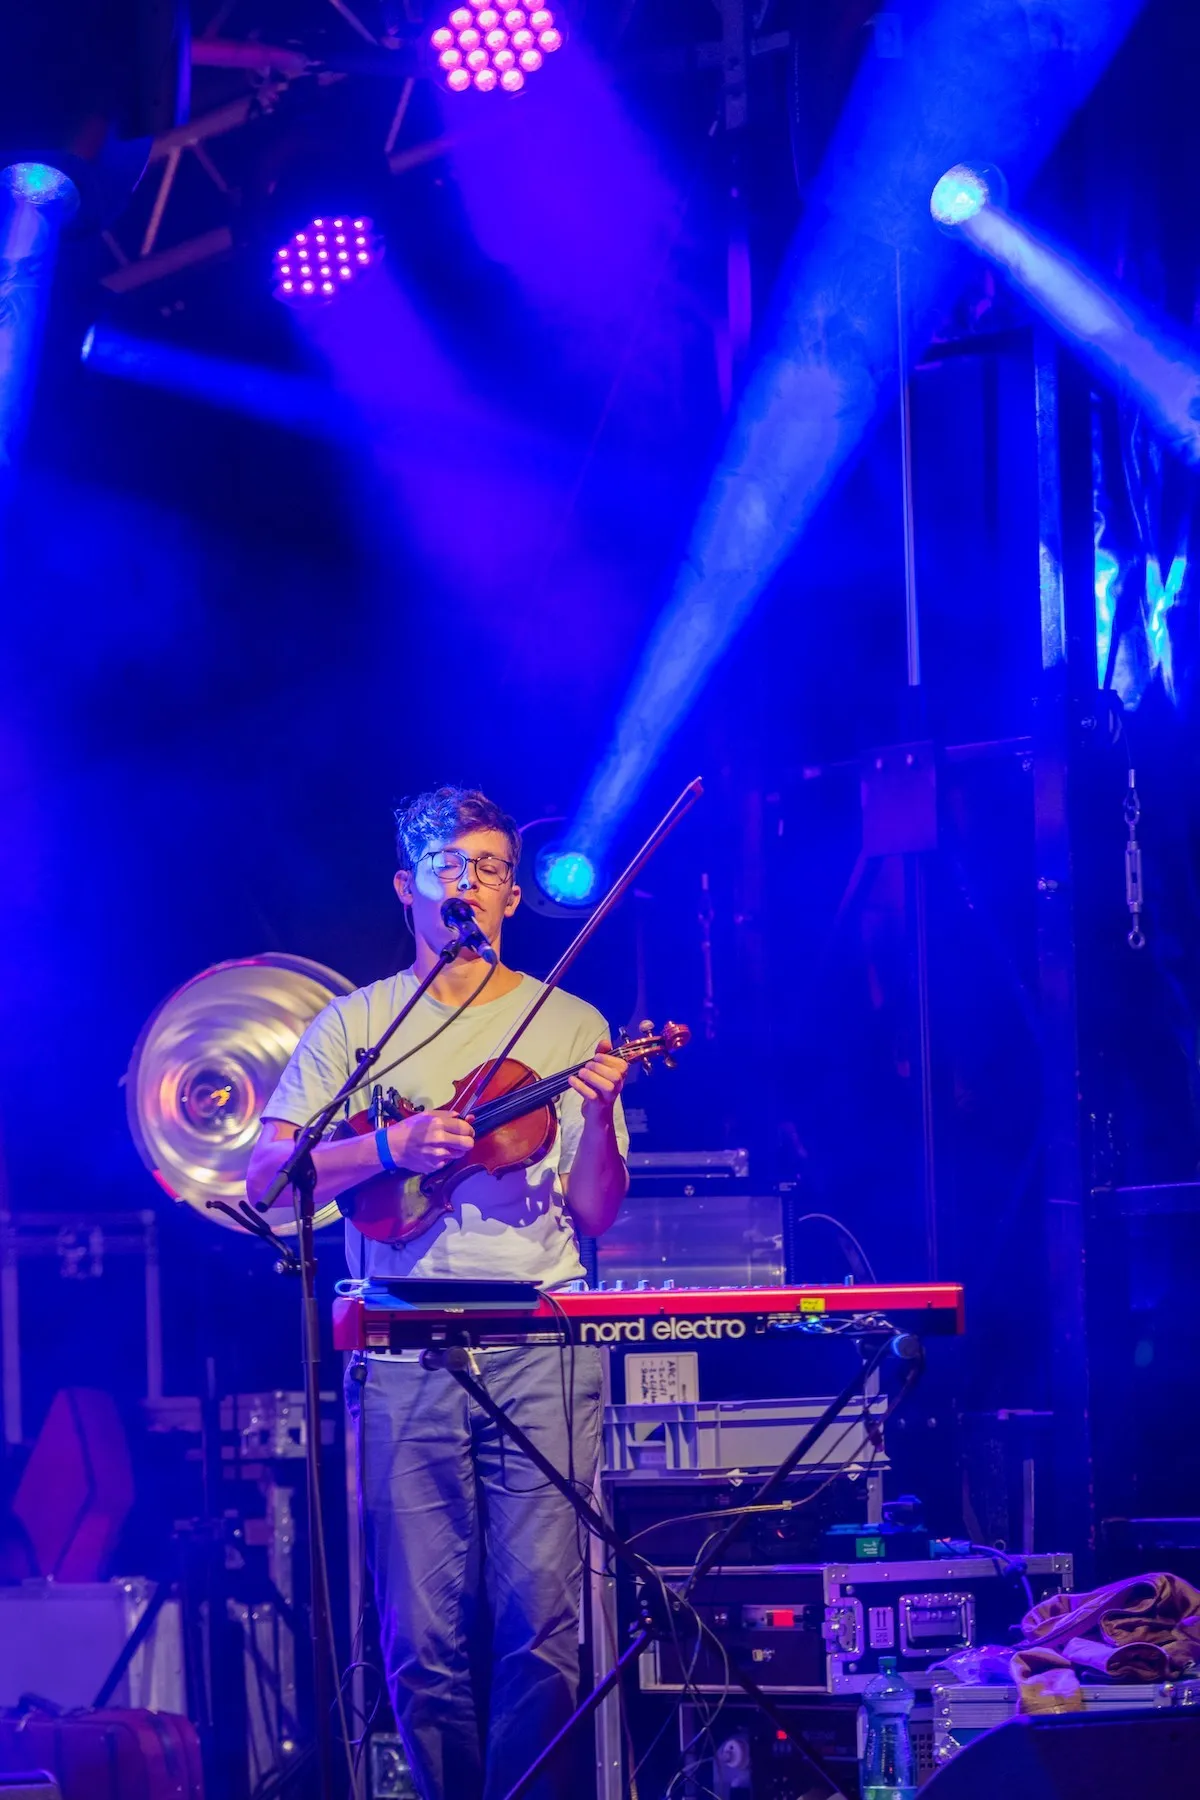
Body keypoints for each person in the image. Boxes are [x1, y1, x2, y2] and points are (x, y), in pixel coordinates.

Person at [246, 786, 630, 1800]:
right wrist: (390, 1144)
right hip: (405, 1348)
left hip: (542, 1342)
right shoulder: (355, 1026)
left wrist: (597, 1116)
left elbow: (596, 1214)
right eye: (454, 871)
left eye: (493, 871)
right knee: (421, 1637)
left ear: (512, 894)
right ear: (409, 889)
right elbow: (264, 1180)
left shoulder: (570, 1021)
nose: (475, 889)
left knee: (544, 1627)